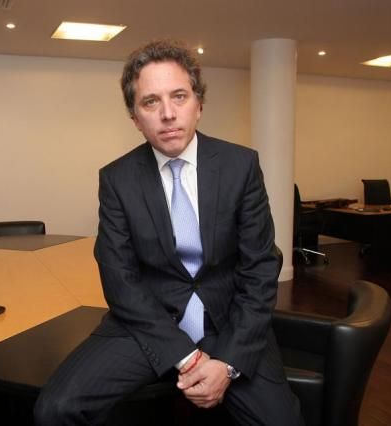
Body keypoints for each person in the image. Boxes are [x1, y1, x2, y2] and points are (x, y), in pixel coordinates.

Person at [33, 39, 303, 425]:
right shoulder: (117, 180)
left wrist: (227, 363)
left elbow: (259, 269)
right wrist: (188, 357)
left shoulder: (240, 166)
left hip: (229, 321)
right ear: (135, 118)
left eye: (179, 96)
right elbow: (120, 280)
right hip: (148, 324)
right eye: (150, 102)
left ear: (199, 104)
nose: (168, 114)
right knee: (55, 409)